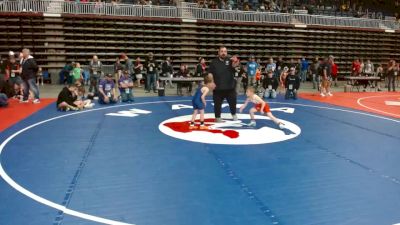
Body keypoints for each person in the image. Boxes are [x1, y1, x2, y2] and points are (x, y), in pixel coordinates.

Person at [208, 46, 240, 122]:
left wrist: (235, 64)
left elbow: (235, 68)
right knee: (217, 104)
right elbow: (210, 73)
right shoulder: (213, 62)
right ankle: (218, 117)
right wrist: (211, 82)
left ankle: (234, 114)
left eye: (225, 51)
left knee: (233, 103)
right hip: (218, 88)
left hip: (230, 87)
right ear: (218, 52)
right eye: (222, 51)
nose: (223, 53)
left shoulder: (230, 60)